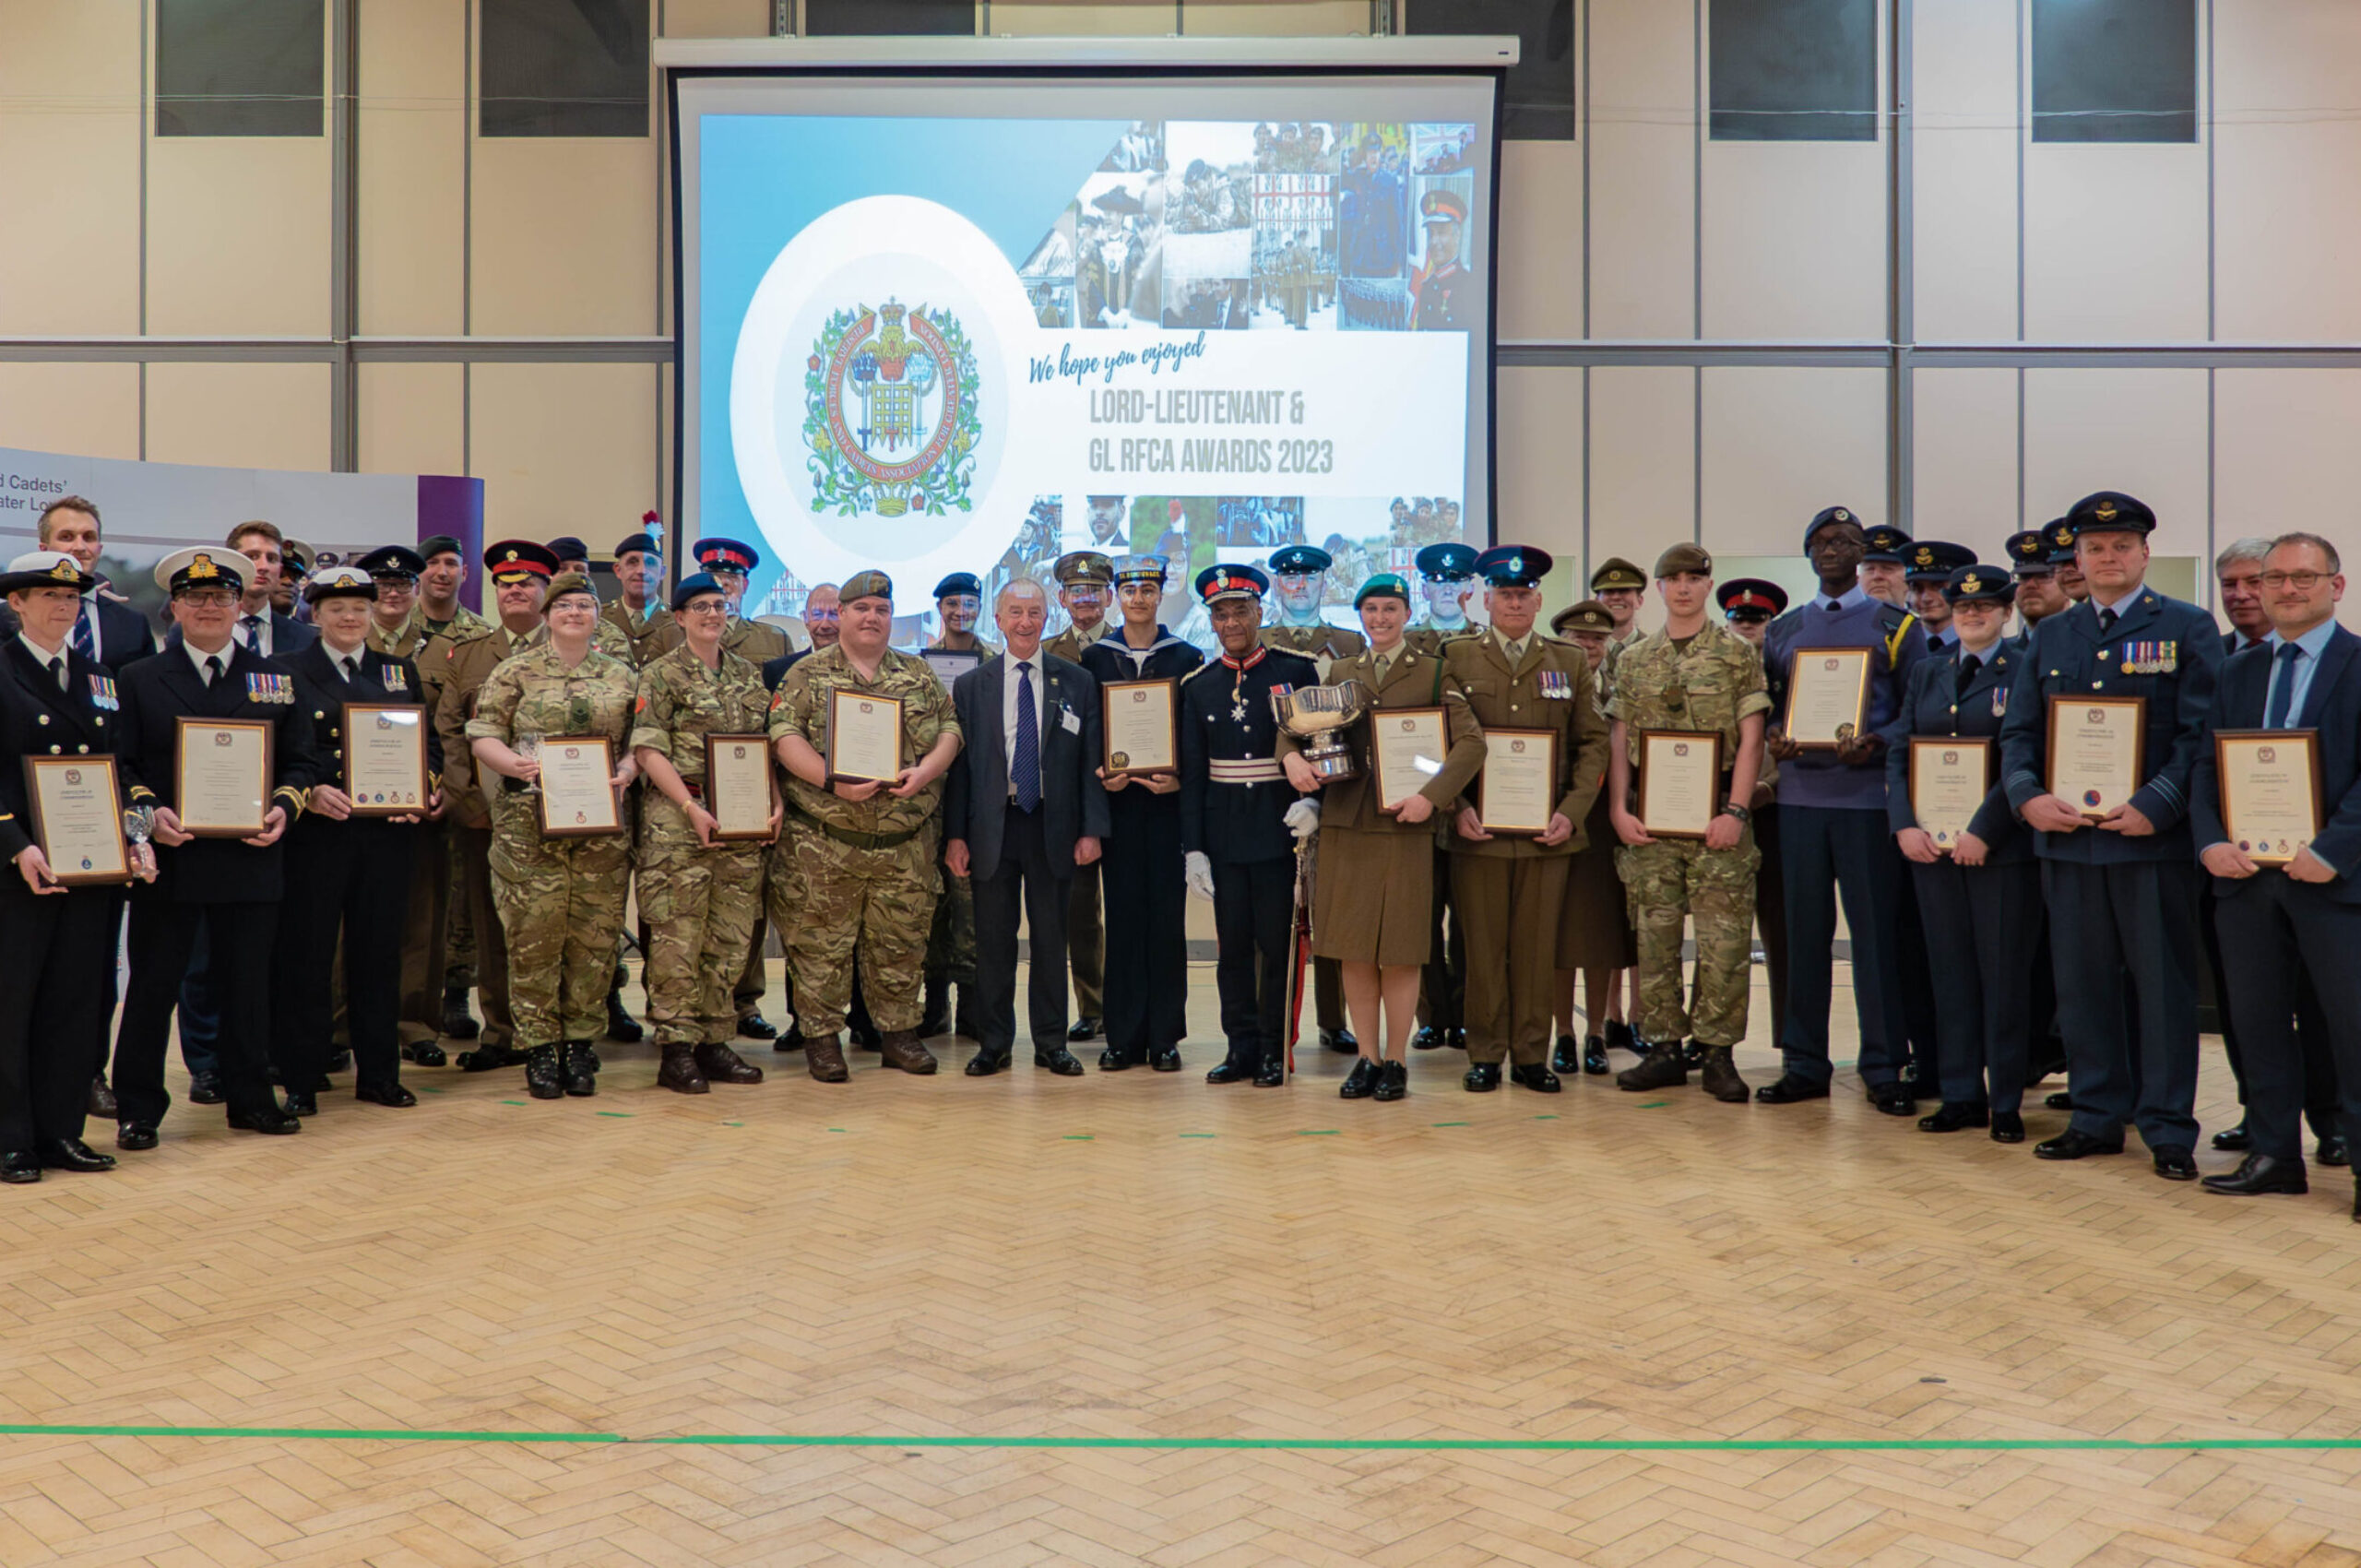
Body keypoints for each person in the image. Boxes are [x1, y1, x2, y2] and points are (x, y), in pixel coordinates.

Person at [1999, 491, 2224, 1181]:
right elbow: (2020, 733)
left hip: (2148, 842)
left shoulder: (2186, 627)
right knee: (2081, 985)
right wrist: (2026, 796)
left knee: (2160, 989)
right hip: (2067, 844)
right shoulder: (2051, 636)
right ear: (2077, 558)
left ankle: (2166, 1127)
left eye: (2121, 545)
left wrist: (2159, 804)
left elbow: (2200, 737)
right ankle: (2095, 1117)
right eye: (2094, 548)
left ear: (2145, 552)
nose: (2107, 557)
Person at [112, 547, 315, 1146]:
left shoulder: (276, 678)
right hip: (173, 859)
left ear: (239, 605)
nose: (209, 607)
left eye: (221, 597)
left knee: (248, 986)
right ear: (174, 608)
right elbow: (121, 765)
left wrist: (282, 807)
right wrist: (150, 812)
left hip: (251, 856)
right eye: (195, 597)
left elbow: (301, 761)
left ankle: (250, 1098)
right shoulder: (139, 678)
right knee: (153, 988)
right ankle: (139, 1109)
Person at [2192, 531, 2361, 1214]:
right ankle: (2273, 1156)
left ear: (2335, 587)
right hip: (2244, 879)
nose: (2287, 590)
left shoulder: (2358, 663)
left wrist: (2332, 849)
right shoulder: (2239, 671)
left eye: (2303, 578)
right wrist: (2208, 842)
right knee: (2256, 1022)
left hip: (2335, 883)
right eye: (2274, 579)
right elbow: (2207, 767)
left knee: (2351, 1031)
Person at [1287, 572, 1485, 1100]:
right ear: (1361, 616)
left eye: (1390, 609)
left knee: (1399, 948)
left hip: (1405, 824)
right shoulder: (1342, 671)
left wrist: (1432, 797)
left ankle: (1396, 1060)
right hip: (1348, 824)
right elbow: (1294, 726)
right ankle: (1367, 1059)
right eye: (1371, 609)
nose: (1380, 618)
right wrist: (1289, 757)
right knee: (1353, 949)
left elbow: (1470, 744)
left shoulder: (1434, 671)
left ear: (1406, 613)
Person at [1758, 505, 1926, 1111]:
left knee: (1875, 938)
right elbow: (1772, 706)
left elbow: (1914, 711)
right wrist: (1778, 735)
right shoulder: (1783, 630)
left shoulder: (1896, 628)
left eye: (1846, 541)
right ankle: (1803, 1062)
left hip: (1866, 805)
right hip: (1800, 803)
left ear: (1863, 554)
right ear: (1808, 554)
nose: (1833, 549)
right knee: (1803, 936)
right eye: (1822, 541)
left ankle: (1883, 1066)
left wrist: (1877, 742)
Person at [768, 570, 962, 1081]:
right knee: (819, 948)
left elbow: (950, 729)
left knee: (901, 945)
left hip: (903, 845)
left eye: (881, 609)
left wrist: (926, 772)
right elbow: (784, 737)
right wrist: (833, 783)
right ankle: (822, 1039)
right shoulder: (807, 675)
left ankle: (899, 1035)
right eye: (860, 609)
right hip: (825, 843)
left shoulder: (917, 674)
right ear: (843, 616)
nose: (871, 617)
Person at [0, 550, 154, 1182]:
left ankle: (61, 1131)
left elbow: (121, 771)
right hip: (19, 868)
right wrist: (16, 845)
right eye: (48, 596)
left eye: (71, 597)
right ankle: (11, 1138)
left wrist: (138, 837)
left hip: (91, 866)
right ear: (17, 603)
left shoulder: (99, 677)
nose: (63, 606)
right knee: (13, 1005)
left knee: (74, 1002)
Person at [1880, 564, 2040, 1141]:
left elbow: (2024, 758)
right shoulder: (1928, 671)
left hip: (1999, 852)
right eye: (1963, 607)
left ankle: (2005, 1102)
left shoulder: (2024, 668)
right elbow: (1901, 753)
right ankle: (1961, 1095)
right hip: (1932, 850)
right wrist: (1903, 826)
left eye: (1985, 607)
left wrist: (1986, 829)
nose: (1972, 615)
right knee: (1949, 976)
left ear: (2005, 612)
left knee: (2002, 980)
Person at [467, 571, 641, 1099]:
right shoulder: (515, 671)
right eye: (564, 605)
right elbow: (482, 734)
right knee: (534, 937)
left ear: (597, 616)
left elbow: (645, 739)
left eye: (585, 605)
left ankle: (582, 1045)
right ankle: (540, 1046)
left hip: (600, 828)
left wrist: (631, 769)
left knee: (593, 939)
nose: (574, 613)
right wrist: (516, 765)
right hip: (529, 826)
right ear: (547, 615)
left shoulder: (622, 676)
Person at [273, 565, 438, 1115]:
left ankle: (379, 1075)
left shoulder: (398, 672)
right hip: (319, 834)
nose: (350, 617)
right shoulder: (285, 671)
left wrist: (422, 790)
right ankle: (302, 1074)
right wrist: (310, 790)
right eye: (337, 608)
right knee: (308, 956)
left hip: (384, 837)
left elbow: (427, 747)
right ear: (314, 615)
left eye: (360, 608)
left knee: (379, 956)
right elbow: (272, 751)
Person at [1442, 546, 1608, 1093]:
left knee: (1538, 948)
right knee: (1483, 948)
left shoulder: (1567, 661)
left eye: (1524, 593)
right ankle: (1486, 1053)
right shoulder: (1456, 658)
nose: (1514, 601)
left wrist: (1571, 811)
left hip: (1547, 835)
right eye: (1504, 593)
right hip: (1478, 833)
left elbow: (1592, 744)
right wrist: (1457, 806)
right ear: (1486, 598)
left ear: (1539, 600)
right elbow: (1438, 746)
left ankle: (1532, 1055)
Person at [1606, 545, 1769, 1101]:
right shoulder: (1634, 659)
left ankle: (1718, 1054)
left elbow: (1752, 737)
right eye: (1672, 579)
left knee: (1724, 943)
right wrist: (1618, 811)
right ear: (1658, 589)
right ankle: (1664, 1049)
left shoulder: (1736, 652)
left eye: (1692, 579)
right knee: (1655, 940)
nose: (1682, 588)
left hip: (1717, 818)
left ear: (1707, 585)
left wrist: (1737, 810)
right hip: (1652, 819)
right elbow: (1621, 737)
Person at [943, 577, 1108, 1077]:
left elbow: (1088, 764)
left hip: (1053, 827)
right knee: (993, 944)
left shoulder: (1075, 681)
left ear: (1046, 617)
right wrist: (955, 835)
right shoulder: (973, 685)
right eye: (1014, 612)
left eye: (1034, 612)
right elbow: (961, 770)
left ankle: (1051, 1043)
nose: (1025, 622)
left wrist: (1091, 830)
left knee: (1051, 940)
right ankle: (994, 1043)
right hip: (994, 828)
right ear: (998, 620)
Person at [629, 571, 777, 1095]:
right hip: (679, 823)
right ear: (680, 617)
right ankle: (675, 1048)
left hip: (740, 822)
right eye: (701, 607)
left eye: (719, 605)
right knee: (677, 938)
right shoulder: (662, 674)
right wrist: (689, 805)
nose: (713, 614)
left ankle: (715, 1040)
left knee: (730, 938)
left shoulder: (745, 674)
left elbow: (765, 747)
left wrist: (774, 803)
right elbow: (648, 749)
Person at [1176, 564, 1320, 1087]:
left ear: (1260, 612)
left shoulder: (1297, 672)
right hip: (1224, 834)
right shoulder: (1199, 685)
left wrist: (1314, 804)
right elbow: (1193, 774)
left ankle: (1274, 1049)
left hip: (1280, 827)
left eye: (1241, 611)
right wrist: (1193, 848)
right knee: (1232, 948)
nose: (1231, 621)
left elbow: (1317, 747)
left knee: (1278, 948)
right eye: (1221, 614)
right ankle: (1239, 1048)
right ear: (1210, 621)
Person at [431, 541, 556, 1074]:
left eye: (527, 583)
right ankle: (504, 1031)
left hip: (565, 820)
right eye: (506, 585)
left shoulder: (577, 645)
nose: (516, 591)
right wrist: (470, 802)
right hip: (487, 818)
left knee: (555, 926)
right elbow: (451, 734)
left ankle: (559, 1033)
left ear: (546, 592)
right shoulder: (472, 655)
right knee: (494, 926)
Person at [1078, 555, 1204, 1073]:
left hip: (1168, 807)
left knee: (1166, 923)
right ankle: (1123, 1036)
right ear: (1116, 598)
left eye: (1147, 592)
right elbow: (1087, 735)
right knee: (1124, 920)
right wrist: (1099, 774)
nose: (1138, 600)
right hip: (1119, 808)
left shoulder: (1188, 657)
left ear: (1160, 597)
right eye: (1128, 592)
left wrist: (1180, 779)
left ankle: (1165, 1036)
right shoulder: (1094, 662)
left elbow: (1195, 738)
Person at [672, 537, 789, 1041]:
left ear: (744, 586)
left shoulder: (770, 642)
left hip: (744, 801)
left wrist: (774, 797)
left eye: (730, 583)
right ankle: (680, 1026)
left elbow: (772, 728)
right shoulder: (665, 644)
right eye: (711, 583)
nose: (722, 592)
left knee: (743, 915)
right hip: (686, 803)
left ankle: (741, 1007)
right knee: (680, 921)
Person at [1259, 542, 1367, 1055]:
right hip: (1274, 787)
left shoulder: (1348, 642)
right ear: (1277, 585)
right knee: (1272, 909)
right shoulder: (1258, 641)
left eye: (1309, 578)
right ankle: (1272, 1018)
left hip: (1341, 790)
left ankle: (1332, 1017)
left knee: (1331, 906)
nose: (1299, 586)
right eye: (1289, 578)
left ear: (1325, 584)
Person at [1546, 599, 1636, 1075]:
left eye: (1597, 639)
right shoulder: (1547, 687)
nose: (1588, 646)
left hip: (1607, 823)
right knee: (1561, 935)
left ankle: (1596, 1032)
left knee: (1601, 933)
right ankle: (1563, 1032)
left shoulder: (1622, 688)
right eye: (1578, 638)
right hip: (1557, 817)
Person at [1712, 577, 1791, 1064]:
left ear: (1769, 625)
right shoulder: (1714, 673)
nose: (1747, 627)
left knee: (1781, 932)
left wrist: (1769, 787)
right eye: (1739, 619)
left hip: (1779, 815)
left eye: (1757, 620)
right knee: (1716, 928)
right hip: (1721, 814)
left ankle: (1790, 1040)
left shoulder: (1787, 673)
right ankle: (1709, 1042)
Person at [1046, 552, 1116, 1045]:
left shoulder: (1128, 646)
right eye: (1076, 592)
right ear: (1062, 598)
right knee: (1080, 913)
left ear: (1110, 597)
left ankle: (1128, 1003)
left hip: (1133, 795)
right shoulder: (1047, 652)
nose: (1085, 600)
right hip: (1072, 801)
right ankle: (1093, 1007)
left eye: (1095, 592)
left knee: (1133, 908)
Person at [919, 571, 989, 1039]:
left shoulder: (997, 662)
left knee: (972, 907)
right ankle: (933, 1004)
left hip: (977, 798)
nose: (960, 612)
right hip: (928, 797)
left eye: (968, 603)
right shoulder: (919, 666)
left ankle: (972, 1007)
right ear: (939, 609)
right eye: (951, 604)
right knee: (930, 904)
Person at [0, 496, 158, 671]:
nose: (80, 546)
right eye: (67, 537)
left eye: (89, 537)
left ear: (99, 548)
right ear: (43, 549)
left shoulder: (133, 624)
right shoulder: (4, 619)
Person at [602, 523, 677, 668]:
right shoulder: (598, 618)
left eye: (650, 563)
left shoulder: (679, 622)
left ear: (662, 572)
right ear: (618, 570)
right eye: (632, 562)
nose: (642, 571)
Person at [1410, 189, 1475, 331]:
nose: (1434, 241)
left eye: (1441, 232)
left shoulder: (1469, 285)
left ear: (1457, 235)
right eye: (1430, 233)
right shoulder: (1427, 286)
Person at [1903, 541, 1975, 655]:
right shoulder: (1902, 648)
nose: (1926, 598)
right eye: (1917, 588)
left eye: (1938, 587)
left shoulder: (1978, 646)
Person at [2005, 529, 2070, 629]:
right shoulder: (2003, 645)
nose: (2031, 585)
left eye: (2043, 576)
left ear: (2066, 581)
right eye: (2023, 577)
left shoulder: (2089, 643)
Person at [1858, 519, 1912, 608]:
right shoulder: (1843, 621)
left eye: (1887, 569)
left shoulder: (1922, 621)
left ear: (1908, 580)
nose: (1877, 576)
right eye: (1870, 569)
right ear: (1858, 579)